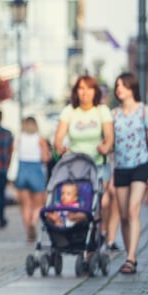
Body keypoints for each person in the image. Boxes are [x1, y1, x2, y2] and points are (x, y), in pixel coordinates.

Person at [53, 75, 114, 247]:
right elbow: (58, 137)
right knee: (76, 203)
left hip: (97, 165)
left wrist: (106, 146)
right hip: (74, 167)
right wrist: (59, 146)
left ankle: (100, 233)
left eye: (89, 89)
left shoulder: (102, 111)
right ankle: (79, 236)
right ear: (76, 92)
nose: (85, 93)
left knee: (103, 202)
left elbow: (109, 136)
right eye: (81, 88)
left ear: (95, 92)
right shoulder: (69, 111)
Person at [111, 72, 148, 274]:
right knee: (123, 215)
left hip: (141, 165)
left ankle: (131, 257)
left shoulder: (145, 112)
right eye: (117, 85)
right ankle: (130, 256)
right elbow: (111, 146)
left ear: (132, 88)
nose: (119, 88)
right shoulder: (113, 115)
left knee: (132, 210)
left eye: (123, 85)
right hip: (120, 167)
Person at [12, 116, 50, 242]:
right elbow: (45, 158)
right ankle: (34, 221)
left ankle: (28, 230)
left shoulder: (19, 139)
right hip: (36, 170)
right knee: (38, 204)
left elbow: (14, 154)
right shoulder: (40, 140)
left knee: (25, 205)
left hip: (22, 170)